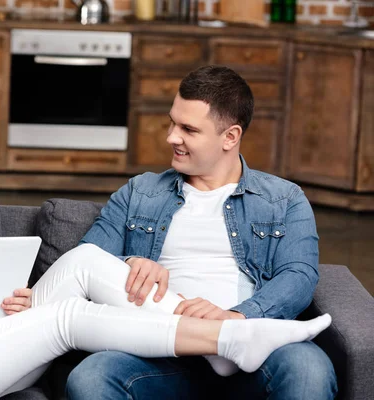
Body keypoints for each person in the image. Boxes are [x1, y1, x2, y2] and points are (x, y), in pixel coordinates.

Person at [0, 110, 332, 400]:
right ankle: (229, 339)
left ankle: (226, 337)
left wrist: (15, 301)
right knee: (66, 321)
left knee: (81, 263)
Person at [65, 65, 338, 399]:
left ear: (230, 137)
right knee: (91, 377)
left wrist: (237, 316)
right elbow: (85, 261)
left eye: (188, 129)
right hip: (160, 355)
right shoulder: (140, 192)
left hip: (255, 354)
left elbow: (299, 275)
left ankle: (231, 340)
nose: (171, 137)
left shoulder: (283, 199)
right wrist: (132, 261)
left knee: (308, 370)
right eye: (172, 122)